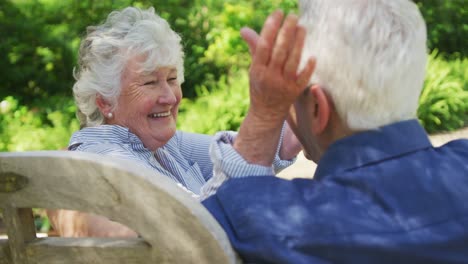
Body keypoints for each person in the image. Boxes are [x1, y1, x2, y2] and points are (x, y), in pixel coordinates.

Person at [201, 0, 468, 263]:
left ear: (317, 108)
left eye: (291, 99)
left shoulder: (275, 222)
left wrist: (265, 113)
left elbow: (198, 235)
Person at [48, 6, 301, 238]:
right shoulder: (108, 159)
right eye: (150, 82)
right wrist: (264, 108)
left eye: (171, 79)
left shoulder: (160, 143)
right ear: (105, 102)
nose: (170, 97)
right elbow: (194, 235)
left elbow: (253, 151)